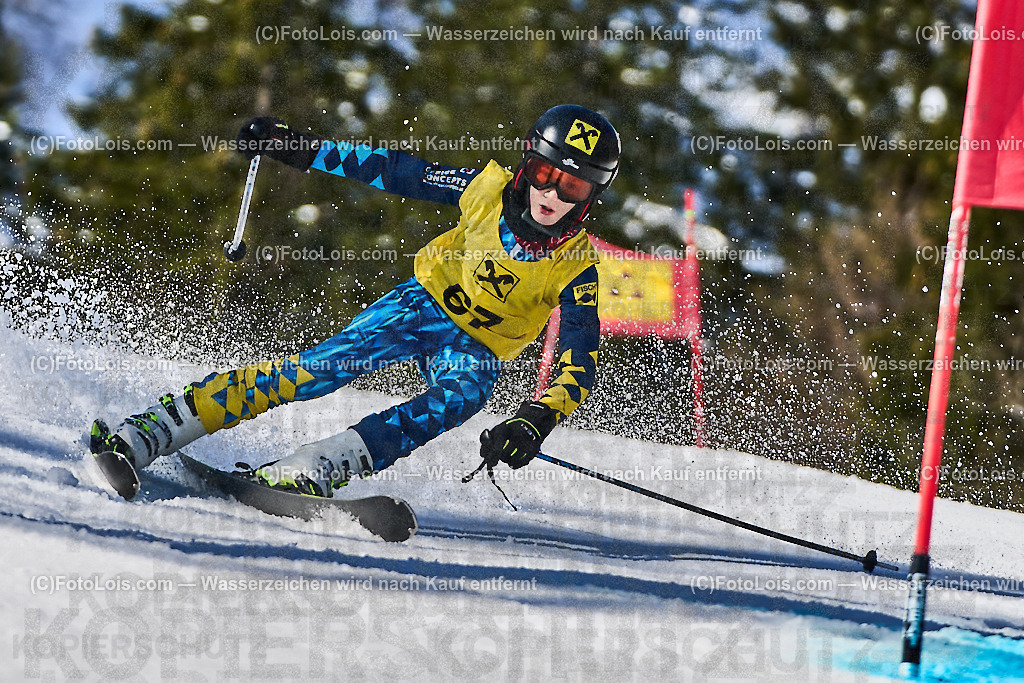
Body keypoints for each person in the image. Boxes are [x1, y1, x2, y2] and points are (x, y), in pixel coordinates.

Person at [90, 104, 620, 498]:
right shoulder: (483, 191)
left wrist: (535, 420)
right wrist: (295, 147)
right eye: (548, 175)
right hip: (420, 307)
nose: (552, 196)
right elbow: (393, 169)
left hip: (478, 347)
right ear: (529, 164)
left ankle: (319, 464)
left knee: (458, 399)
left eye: (572, 187)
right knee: (318, 371)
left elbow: (578, 358)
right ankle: (157, 426)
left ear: (591, 196)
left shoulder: (577, 267)